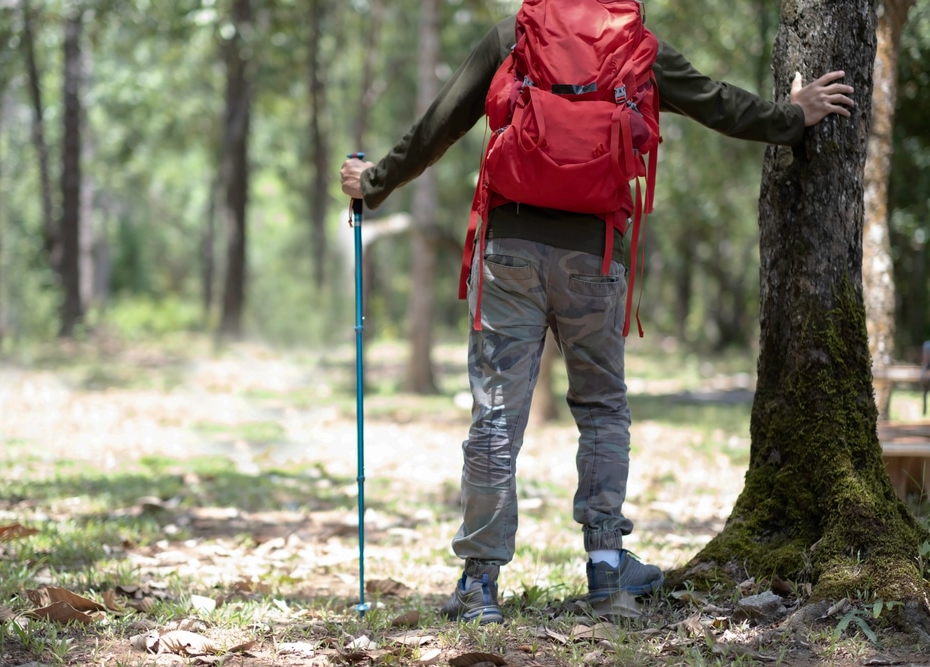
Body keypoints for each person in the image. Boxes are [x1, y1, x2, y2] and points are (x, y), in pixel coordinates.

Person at [340, 10, 854, 625]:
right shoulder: (635, 45)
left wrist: (373, 182)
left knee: (498, 414)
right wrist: (793, 117)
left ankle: (479, 585)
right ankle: (607, 571)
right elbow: (718, 103)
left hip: (510, 254)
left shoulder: (516, 35)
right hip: (595, 255)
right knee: (603, 408)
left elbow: (437, 128)